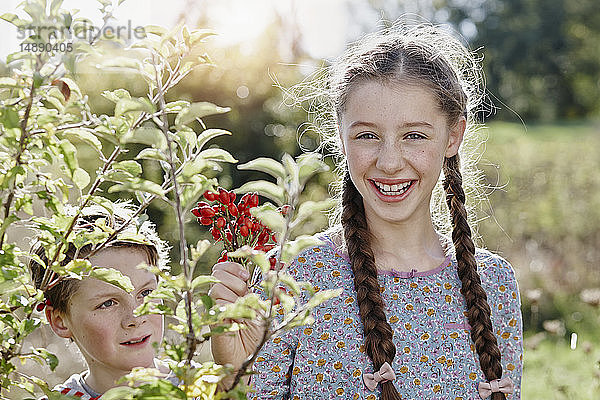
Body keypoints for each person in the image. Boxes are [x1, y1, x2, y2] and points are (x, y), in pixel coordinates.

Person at [209, 22, 523, 400]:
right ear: (340, 138)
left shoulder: (494, 284)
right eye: (367, 135)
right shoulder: (293, 276)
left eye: (414, 135)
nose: (389, 162)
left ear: (452, 137)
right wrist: (233, 376)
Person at [30, 203, 172, 399]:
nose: (135, 317)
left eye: (146, 292)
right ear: (59, 321)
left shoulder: (208, 386)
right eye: (107, 303)